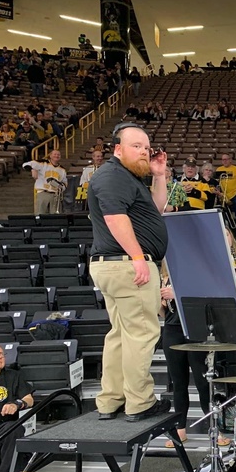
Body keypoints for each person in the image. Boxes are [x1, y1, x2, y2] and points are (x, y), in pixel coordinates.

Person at [88, 123, 171, 421]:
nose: (144, 152)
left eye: (147, 148)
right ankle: (140, 402)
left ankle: (111, 400)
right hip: (127, 264)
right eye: (137, 146)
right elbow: (114, 218)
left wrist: (159, 176)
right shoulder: (112, 175)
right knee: (142, 333)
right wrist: (137, 257)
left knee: (121, 334)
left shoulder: (128, 178)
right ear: (117, 149)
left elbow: (155, 209)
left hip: (117, 264)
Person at [159, 265, 221, 448]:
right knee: (179, 383)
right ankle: (180, 428)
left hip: (195, 331)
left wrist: (176, 295)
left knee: (203, 382)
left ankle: (214, 428)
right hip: (172, 331)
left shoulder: (196, 278)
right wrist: (159, 302)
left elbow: (205, 302)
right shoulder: (165, 280)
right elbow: (163, 313)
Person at [0, 344, 33, 472]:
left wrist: (17, 404)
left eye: (1, 354)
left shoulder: (14, 376)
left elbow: (29, 399)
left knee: (15, 429)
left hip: (4, 425)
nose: (0, 357)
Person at [23, 149, 67, 214]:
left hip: (55, 194)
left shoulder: (62, 169)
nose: (57, 156)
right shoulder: (43, 163)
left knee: (55, 216)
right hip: (43, 192)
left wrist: (61, 188)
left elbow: (64, 182)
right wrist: (32, 169)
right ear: (50, 156)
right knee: (40, 214)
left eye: (58, 154)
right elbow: (26, 164)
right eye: (55, 154)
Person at [215, 153, 236, 230]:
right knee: (224, 212)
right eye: (223, 159)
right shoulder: (218, 170)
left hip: (235, 193)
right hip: (223, 195)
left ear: (230, 160)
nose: (225, 161)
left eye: (226, 159)